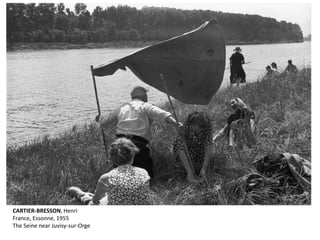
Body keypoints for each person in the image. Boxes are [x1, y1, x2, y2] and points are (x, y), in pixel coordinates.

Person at [96, 86, 182, 178]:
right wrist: (176, 123)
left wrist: (99, 118)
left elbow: (104, 122)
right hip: (138, 145)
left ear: (132, 96)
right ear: (145, 97)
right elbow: (162, 114)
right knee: (144, 176)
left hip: (120, 145)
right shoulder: (146, 106)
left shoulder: (122, 107)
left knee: (120, 176)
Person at [66, 138, 156, 205]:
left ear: (112, 159)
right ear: (132, 157)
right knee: (110, 194)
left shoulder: (107, 177)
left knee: (93, 202)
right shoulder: (143, 172)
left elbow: (96, 200)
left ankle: (81, 195)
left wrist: (94, 198)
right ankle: (84, 195)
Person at [173, 111, 215, 184]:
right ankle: (189, 171)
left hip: (200, 149)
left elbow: (209, 147)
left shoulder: (207, 126)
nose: (198, 132)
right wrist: (189, 172)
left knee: (210, 154)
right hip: (189, 149)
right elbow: (181, 148)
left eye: (201, 130)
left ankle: (200, 171)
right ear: (191, 125)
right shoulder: (185, 127)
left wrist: (204, 168)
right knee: (178, 143)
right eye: (196, 130)